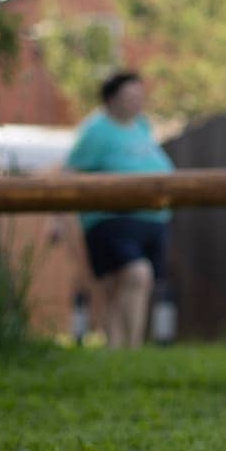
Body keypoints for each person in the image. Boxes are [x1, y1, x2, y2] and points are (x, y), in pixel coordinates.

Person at [64, 71, 172, 348]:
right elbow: (70, 173)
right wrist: (59, 218)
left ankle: (115, 350)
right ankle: (132, 349)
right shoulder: (96, 131)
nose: (137, 101)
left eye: (140, 95)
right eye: (130, 96)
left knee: (119, 287)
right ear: (111, 99)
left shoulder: (142, 127)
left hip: (150, 220)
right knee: (138, 274)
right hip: (111, 220)